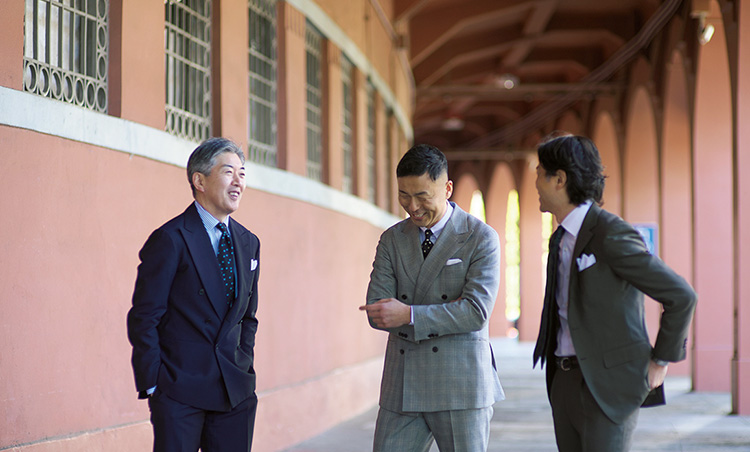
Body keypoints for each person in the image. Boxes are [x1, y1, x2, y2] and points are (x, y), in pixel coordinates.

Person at [531, 134, 697, 452]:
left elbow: (681, 295)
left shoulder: (611, 233)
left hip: (608, 386)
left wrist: (661, 359)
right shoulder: (559, 237)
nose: (535, 181)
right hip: (563, 379)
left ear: (559, 179)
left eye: (539, 173)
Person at [360, 143, 504, 452]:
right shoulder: (392, 239)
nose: (412, 206)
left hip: (461, 384)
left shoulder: (480, 237)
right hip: (403, 385)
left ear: (447, 188)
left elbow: (476, 312)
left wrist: (409, 315)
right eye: (404, 195)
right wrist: (433, 314)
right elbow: (378, 310)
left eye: (423, 195)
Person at [127, 137, 260, 452]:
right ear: (199, 180)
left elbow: (248, 317)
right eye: (229, 172)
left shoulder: (249, 242)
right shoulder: (170, 239)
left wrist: (245, 365)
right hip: (179, 393)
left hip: (234, 391)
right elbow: (144, 317)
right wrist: (154, 383)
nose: (238, 181)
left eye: (243, 173)